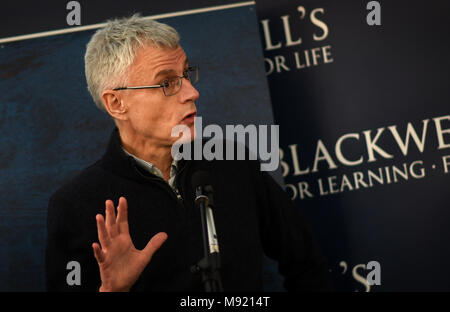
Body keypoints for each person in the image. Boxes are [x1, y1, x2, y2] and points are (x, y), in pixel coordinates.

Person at [45, 14, 333, 292]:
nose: (192, 92)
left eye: (186, 74)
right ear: (116, 103)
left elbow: (307, 264)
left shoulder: (231, 161)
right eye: (167, 83)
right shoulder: (75, 205)